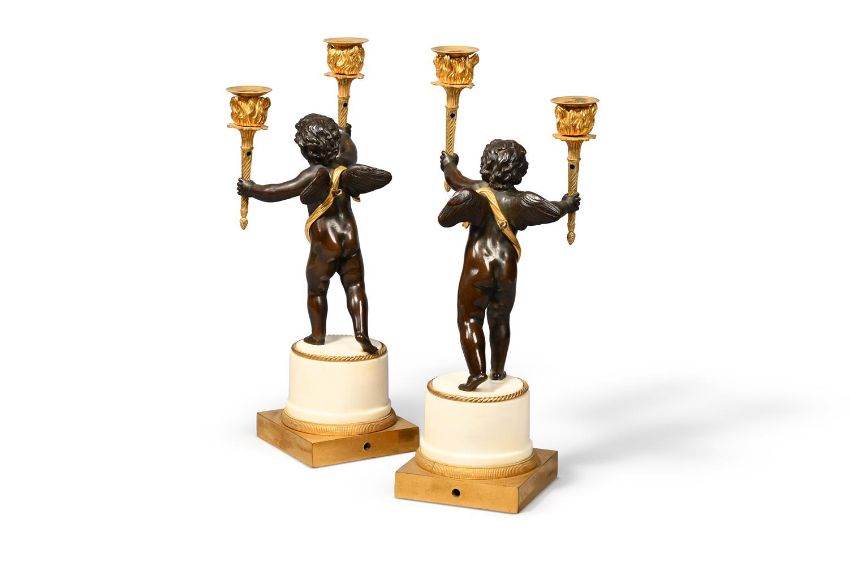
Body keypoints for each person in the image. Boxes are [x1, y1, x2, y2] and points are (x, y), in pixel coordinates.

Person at [238, 114, 391, 354]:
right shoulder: (346, 164)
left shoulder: (314, 174)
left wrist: (251, 189)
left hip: (326, 242)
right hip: (350, 237)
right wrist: (343, 133)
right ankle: (361, 331)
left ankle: (317, 335)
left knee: (317, 288)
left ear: (307, 149)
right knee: (355, 285)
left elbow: (278, 191)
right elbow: (350, 148)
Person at [439, 139, 580, 391]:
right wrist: (568, 203)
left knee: (469, 318)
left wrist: (448, 164)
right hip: (507, 269)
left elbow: (455, 179)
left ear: (486, 163)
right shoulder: (522, 202)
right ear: (520, 169)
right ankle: (497, 370)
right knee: (500, 318)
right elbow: (551, 211)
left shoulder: (475, 191)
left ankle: (476, 373)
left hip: (477, 267)